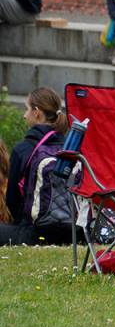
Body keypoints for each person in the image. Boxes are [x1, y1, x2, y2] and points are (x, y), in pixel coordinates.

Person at [1, 87, 73, 246]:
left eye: (27, 109)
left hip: (33, 232)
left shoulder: (23, 150)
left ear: (37, 112)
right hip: (72, 233)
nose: (24, 115)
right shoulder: (69, 149)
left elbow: (12, 200)